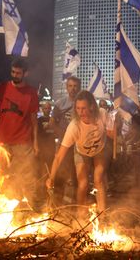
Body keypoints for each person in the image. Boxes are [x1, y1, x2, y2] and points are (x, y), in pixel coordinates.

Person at [45, 91, 114, 215]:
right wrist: (51, 177)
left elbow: (112, 133)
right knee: (83, 183)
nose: (80, 112)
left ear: (92, 106)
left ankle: (102, 214)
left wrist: (114, 126)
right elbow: (59, 155)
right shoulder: (74, 126)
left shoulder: (102, 114)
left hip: (100, 150)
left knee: (98, 179)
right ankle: (80, 214)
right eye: (77, 108)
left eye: (83, 108)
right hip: (81, 152)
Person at [0, 58, 39, 207]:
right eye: (13, 72)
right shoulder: (3, 87)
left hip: (23, 141)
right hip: (3, 141)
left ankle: (29, 207)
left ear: (25, 73)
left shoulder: (31, 93)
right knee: (0, 175)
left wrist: (36, 142)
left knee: (26, 176)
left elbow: (33, 120)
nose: (14, 75)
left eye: (18, 73)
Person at [50, 76, 81, 204]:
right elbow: (52, 122)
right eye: (70, 86)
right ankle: (57, 204)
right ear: (66, 87)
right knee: (60, 174)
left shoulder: (82, 103)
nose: (73, 89)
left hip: (79, 145)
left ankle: (76, 205)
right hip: (64, 144)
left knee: (77, 176)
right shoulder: (60, 103)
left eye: (75, 86)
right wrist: (62, 135)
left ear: (79, 87)